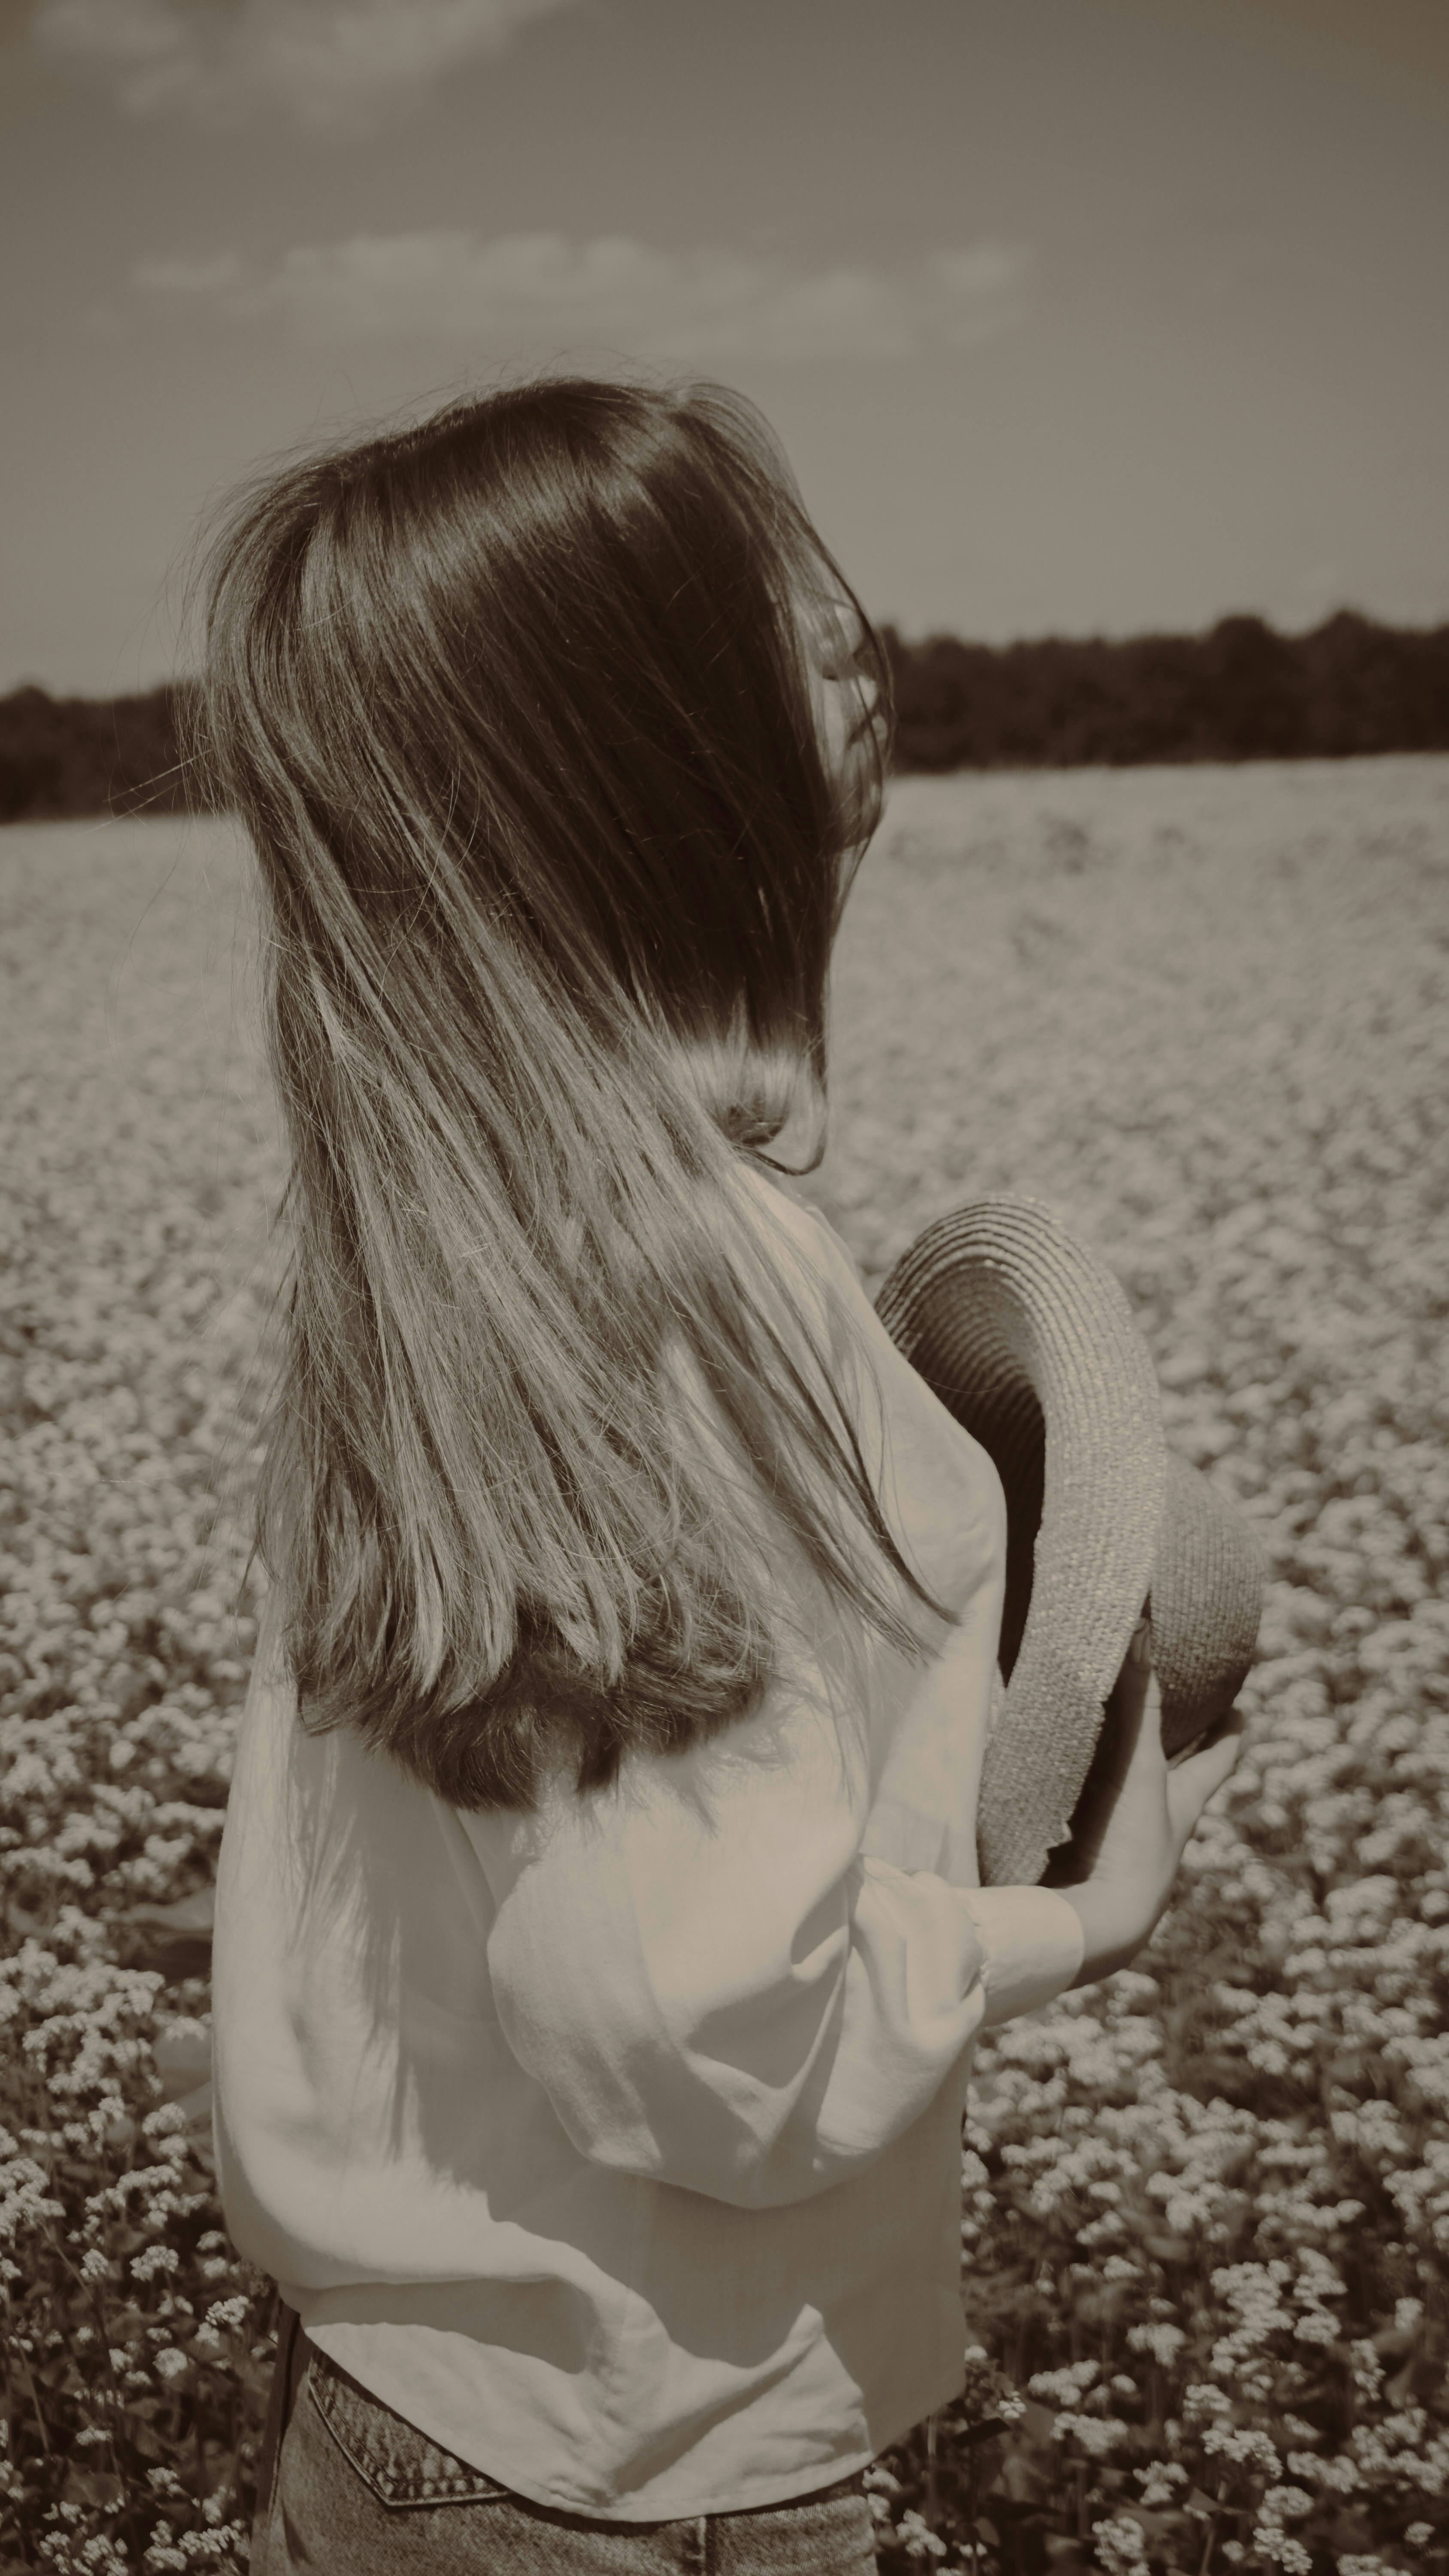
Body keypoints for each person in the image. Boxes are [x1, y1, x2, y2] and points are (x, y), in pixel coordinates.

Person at [201, 376, 1243, 2576]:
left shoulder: (467, 1229)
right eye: (783, 612)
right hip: (630, 2480)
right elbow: (689, 2032)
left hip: (429, 2428)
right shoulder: (691, 1293)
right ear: (635, 748)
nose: (864, 643)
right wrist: (1082, 1907)